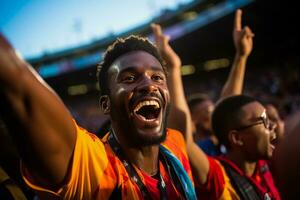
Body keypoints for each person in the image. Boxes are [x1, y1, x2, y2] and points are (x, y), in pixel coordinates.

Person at [0, 32, 198, 198]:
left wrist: (173, 68)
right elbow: (18, 85)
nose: (149, 85)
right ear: (106, 104)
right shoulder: (94, 167)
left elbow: (181, 121)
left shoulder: (175, 144)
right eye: (129, 78)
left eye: (157, 77)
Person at [160, 9, 281, 199]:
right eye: (264, 121)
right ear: (237, 139)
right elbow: (183, 140)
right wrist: (173, 68)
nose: (274, 126)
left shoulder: (259, 163)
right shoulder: (219, 176)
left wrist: (241, 56)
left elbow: (230, 110)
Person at [185, 8, 254, 156]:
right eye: (209, 112)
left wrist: (241, 56)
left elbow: (227, 105)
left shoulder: (222, 143)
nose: (215, 115)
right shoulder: (194, 152)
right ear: (193, 120)